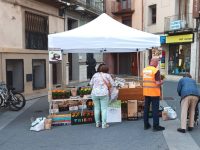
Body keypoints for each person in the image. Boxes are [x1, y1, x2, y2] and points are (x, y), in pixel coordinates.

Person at [143, 58, 165, 131]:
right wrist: (162, 81)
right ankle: (156, 126)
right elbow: (157, 83)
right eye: (157, 63)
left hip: (146, 92)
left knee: (146, 109)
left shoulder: (145, 70)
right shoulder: (156, 71)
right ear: (155, 63)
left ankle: (146, 125)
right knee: (155, 110)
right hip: (154, 93)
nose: (157, 64)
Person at [90, 64, 115, 129]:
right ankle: (104, 124)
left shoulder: (95, 75)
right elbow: (113, 84)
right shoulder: (108, 75)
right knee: (104, 109)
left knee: (97, 108)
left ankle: (97, 124)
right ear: (106, 69)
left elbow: (90, 84)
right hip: (104, 93)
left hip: (94, 93)